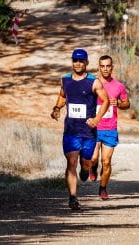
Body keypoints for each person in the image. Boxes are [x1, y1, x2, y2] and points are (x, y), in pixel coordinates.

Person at [50, 48, 109, 210]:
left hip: (88, 133)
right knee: (71, 162)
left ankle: (86, 170)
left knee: (85, 163)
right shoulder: (65, 80)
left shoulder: (93, 82)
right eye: (75, 60)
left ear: (86, 63)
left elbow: (106, 101)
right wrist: (57, 108)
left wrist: (97, 119)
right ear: (72, 62)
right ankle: (73, 198)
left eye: (81, 61)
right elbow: (63, 96)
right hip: (71, 131)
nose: (78, 63)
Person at [90, 55, 130, 200]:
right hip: (94, 128)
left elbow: (127, 103)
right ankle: (93, 167)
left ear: (112, 67)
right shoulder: (93, 83)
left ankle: (103, 188)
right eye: (103, 66)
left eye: (108, 66)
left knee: (106, 162)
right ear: (99, 67)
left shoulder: (118, 86)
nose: (105, 69)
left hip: (110, 128)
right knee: (93, 158)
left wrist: (118, 103)